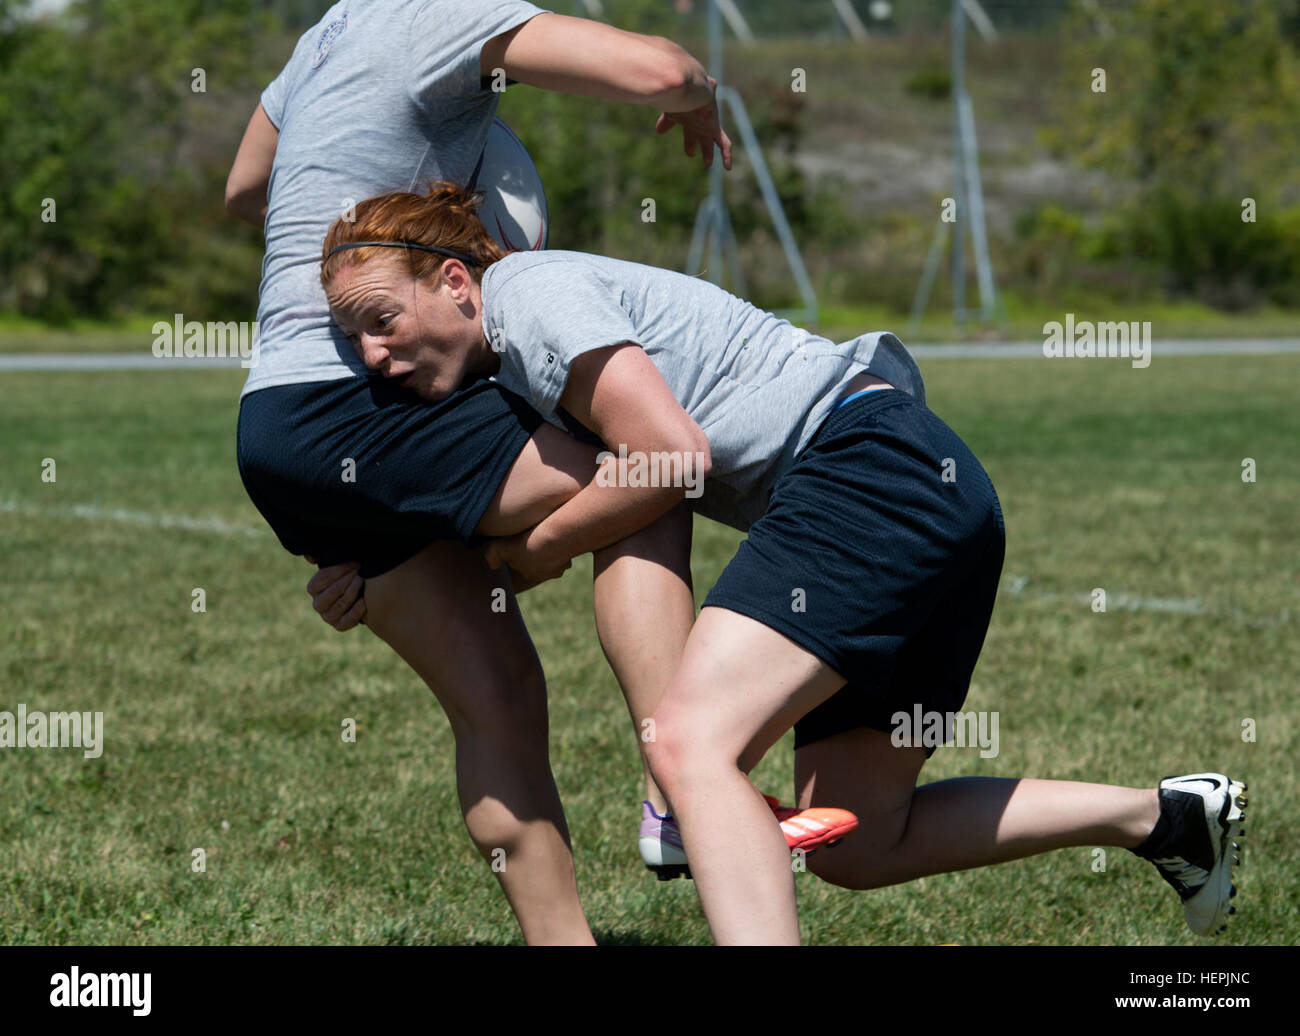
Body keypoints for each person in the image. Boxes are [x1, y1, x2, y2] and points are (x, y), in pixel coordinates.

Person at [313, 179, 1250, 945]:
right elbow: (559, 478)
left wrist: (533, 553)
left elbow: (670, 456)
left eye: (382, 319)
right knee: (859, 840)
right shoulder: (512, 351)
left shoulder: (530, 297)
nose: (372, 353)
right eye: (352, 338)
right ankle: (1163, 821)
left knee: (689, 744)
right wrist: (378, 562)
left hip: (868, 471)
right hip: (933, 490)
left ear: (455, 279)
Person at [226, 0, 848, 942]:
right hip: (358, 400)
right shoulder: (431, 16)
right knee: (641, 462)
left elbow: (244, 189)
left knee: (498, 703)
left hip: (276, 423)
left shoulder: (325, 37)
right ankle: (679, 783)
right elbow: (657, 73)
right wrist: (694, 93)